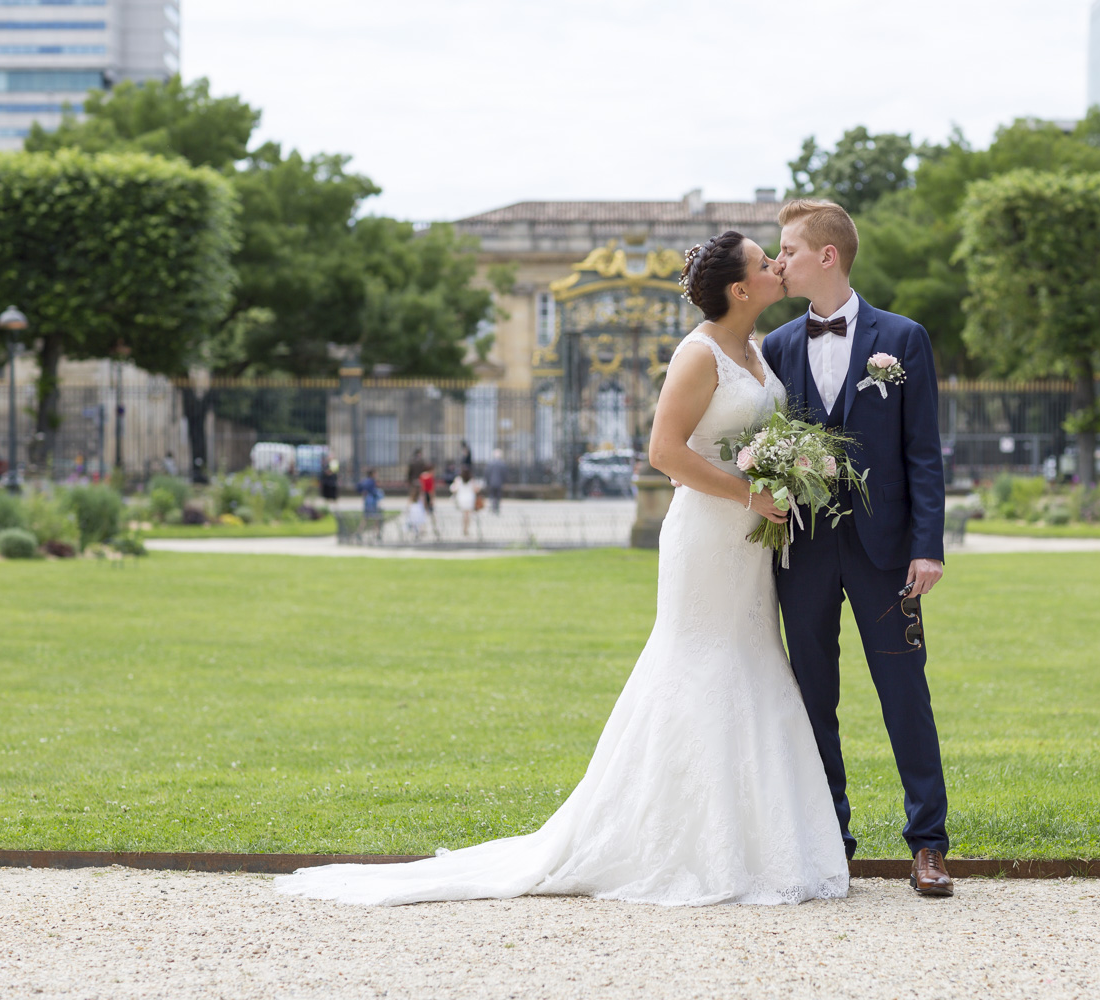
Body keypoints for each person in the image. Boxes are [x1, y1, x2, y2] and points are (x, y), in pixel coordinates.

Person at [276, 230, 846, 907]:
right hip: (708, 534)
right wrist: (747, 492)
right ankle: (681, 842)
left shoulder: (758, 347)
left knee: (751, 658)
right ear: (740, 288)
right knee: (700, 662)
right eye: (764, 261)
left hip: (749, 540)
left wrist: (784, 472)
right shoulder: (698, 354)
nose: (778, 265)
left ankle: (755, 842)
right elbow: (664, 452)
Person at [762, 199, 953, 898]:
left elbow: (923, 452)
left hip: (886, 553)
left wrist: (927, 547)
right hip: (804, 551)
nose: (778, 262)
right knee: (814, 700)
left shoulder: (903, 339)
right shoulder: (777, 348)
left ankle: (928, 844)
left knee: (905, 693)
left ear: (828, 256)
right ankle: (831, 843)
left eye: (788, 250)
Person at [451, 467, 480, 537]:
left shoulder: (458, 480)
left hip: (461, 498)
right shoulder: (471, 480)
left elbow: (453, 489)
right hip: (469, 499)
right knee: (467, 515)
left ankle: (464, 528)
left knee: (464, 514)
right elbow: (476, 490)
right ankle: (466, 529)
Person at [484, 448, 507, 515]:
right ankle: (496, 508)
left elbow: (487, 473)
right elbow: (504, 474)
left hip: (491, 482)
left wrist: (487, 481)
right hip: (499, 482)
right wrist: (504, 481)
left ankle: (492, 507)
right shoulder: (502, 464)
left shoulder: (490, 463)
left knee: (492, 495)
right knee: (498, 496)